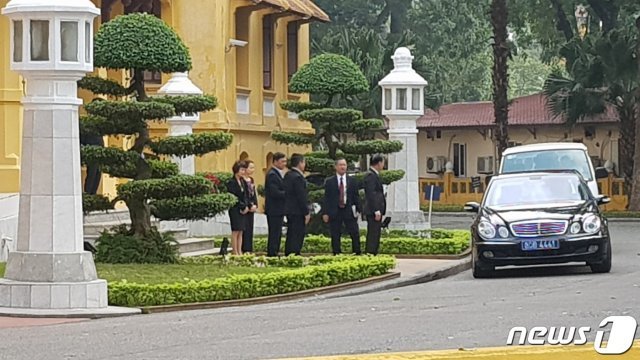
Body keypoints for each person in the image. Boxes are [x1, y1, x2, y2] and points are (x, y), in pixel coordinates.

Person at [322, 158, 361, 255]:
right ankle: (336, 253)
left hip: (348, 209)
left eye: (344, 165)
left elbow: (356, 196)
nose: (342, 167)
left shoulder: (352, 181)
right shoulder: (330, 181)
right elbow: (326, 198)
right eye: (340, 165)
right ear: (336, 167)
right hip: (335, 210)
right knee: (335, 233)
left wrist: (359, 209)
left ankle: (357, 252)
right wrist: (325, 212)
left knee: (354, 232)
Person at [283, 153, 310, 256]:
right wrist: (306, 212)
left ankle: (289, 252)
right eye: (303, 162)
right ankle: (295, 252)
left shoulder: (288, 174)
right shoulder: (298, 177)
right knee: (298, 233)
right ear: (300, 163)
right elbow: (301, 196)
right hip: (297, 210)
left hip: (289, 209)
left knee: (291, 232)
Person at [264, 152, 287, 257]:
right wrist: (288, 194)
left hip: (279, 209)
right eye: (282, 161)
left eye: (285, 161)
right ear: (275, 162)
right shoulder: (272, 175)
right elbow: (275, 192)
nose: (284, 164)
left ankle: (275, 251)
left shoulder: (278, 174)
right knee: (274, 232)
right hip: (274, 209)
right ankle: (272, 253)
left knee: (277, 232)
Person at [363, 155, 386, 255]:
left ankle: (373, 253)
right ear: (379, 163)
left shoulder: (374, 175)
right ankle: (370, 254)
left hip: (376, 211)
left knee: (376, 233)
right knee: (373, 234)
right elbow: (371, 194)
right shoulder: (371, 176)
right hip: (373, 211)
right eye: (383, 162)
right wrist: (376, 209)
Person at [227, 160, 250, 255]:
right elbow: (233, 196)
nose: (243, 172)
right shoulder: (231, 182)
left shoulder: (243, 182)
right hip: (235, 209)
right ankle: (234, 251)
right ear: (236, 170)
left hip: (243, 209)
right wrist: (241, 206)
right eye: (242, 170)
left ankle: (239, 251)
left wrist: (246, 206)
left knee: (241, 231)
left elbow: (245, 195)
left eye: (244, 170)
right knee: (235, 230)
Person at [242, 160, 258, 253]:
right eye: (251, 167)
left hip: (252, 207)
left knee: (250, 228)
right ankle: (244, 248)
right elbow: (245, 195)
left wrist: (255, 204)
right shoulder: (242, 180)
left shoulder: (251, 180)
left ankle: (249, 248)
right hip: (246, 207)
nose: (252, 170)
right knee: (244, 228)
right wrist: (248, 205)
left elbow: (253, 194)